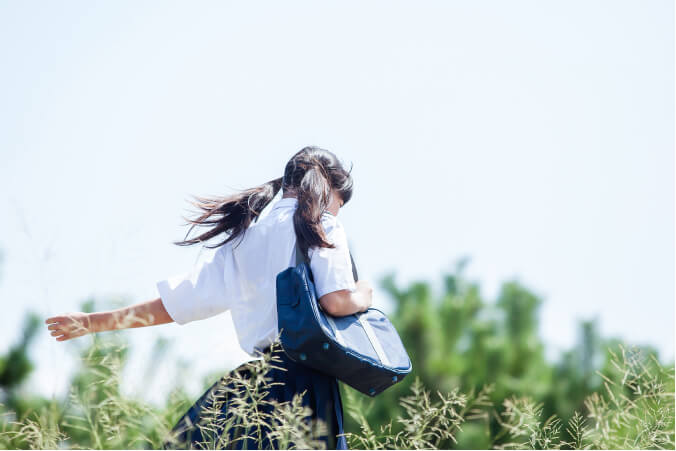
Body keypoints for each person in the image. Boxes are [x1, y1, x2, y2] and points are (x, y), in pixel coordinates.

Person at [44, 145, 374, 449]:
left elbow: (177, 304)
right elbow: (335, 301)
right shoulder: (323, 224)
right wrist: (362, 295)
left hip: (256, 387)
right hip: (308, 386)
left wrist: (90, 323)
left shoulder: (245, 236)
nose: (338, 212)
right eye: (339, 203)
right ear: (326, 189)